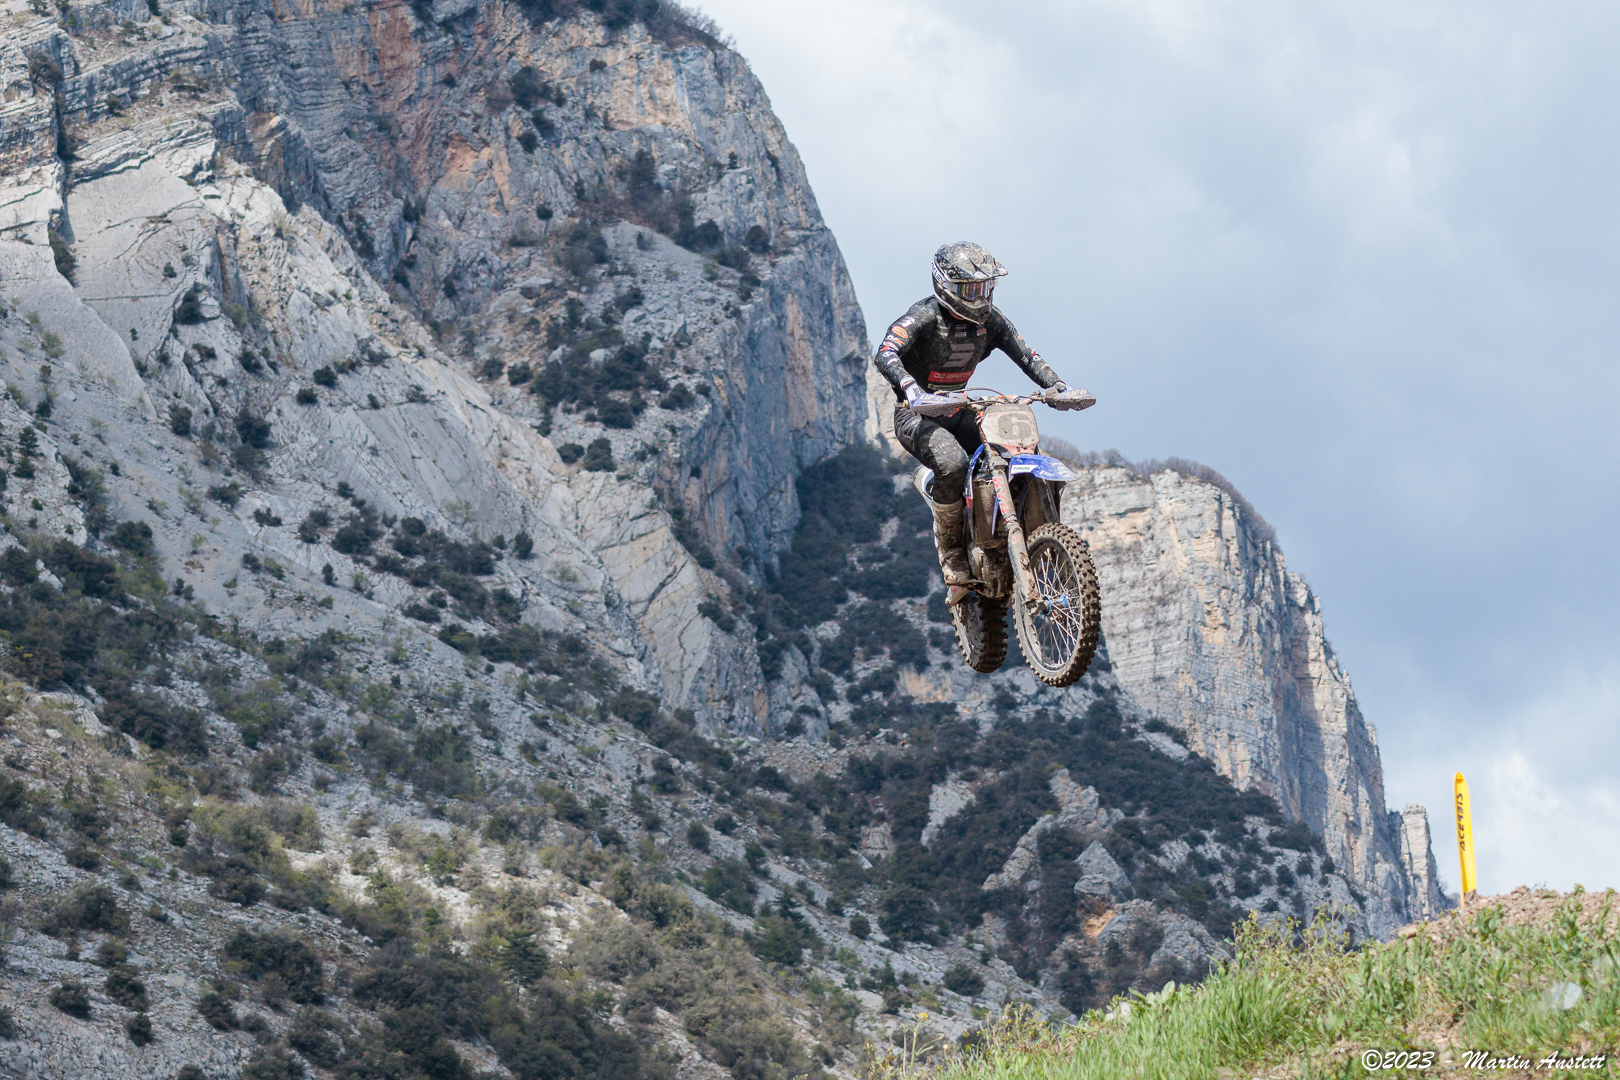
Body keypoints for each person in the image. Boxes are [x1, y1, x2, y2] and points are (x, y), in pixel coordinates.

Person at [873, 242, 1086, 588]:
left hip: (961, 408)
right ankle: (952, 551)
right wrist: (911, 388)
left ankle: (1015, 536)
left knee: (1013, 450)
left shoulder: (992, 322)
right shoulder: (924, 316)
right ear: (947, 286)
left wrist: (1057, 386)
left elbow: (1027, 355)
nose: (981, 297)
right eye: (971, 289)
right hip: (916, 415)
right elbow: (886, 351)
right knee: (953, 463)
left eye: (985, 287)